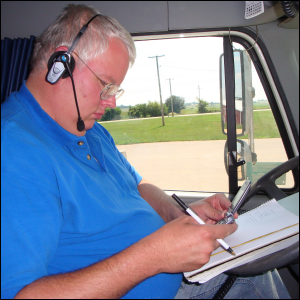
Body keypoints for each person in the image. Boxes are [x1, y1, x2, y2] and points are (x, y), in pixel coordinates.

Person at [1, 4, 290, 299]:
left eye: (114, 90)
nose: (111, 103)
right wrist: (155, 255)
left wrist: (177, 215)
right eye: (105, 85)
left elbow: (137, 186)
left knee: (259, 268)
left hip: (175, 277)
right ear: (61, 63)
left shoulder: (90, 130)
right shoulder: (13, 151)